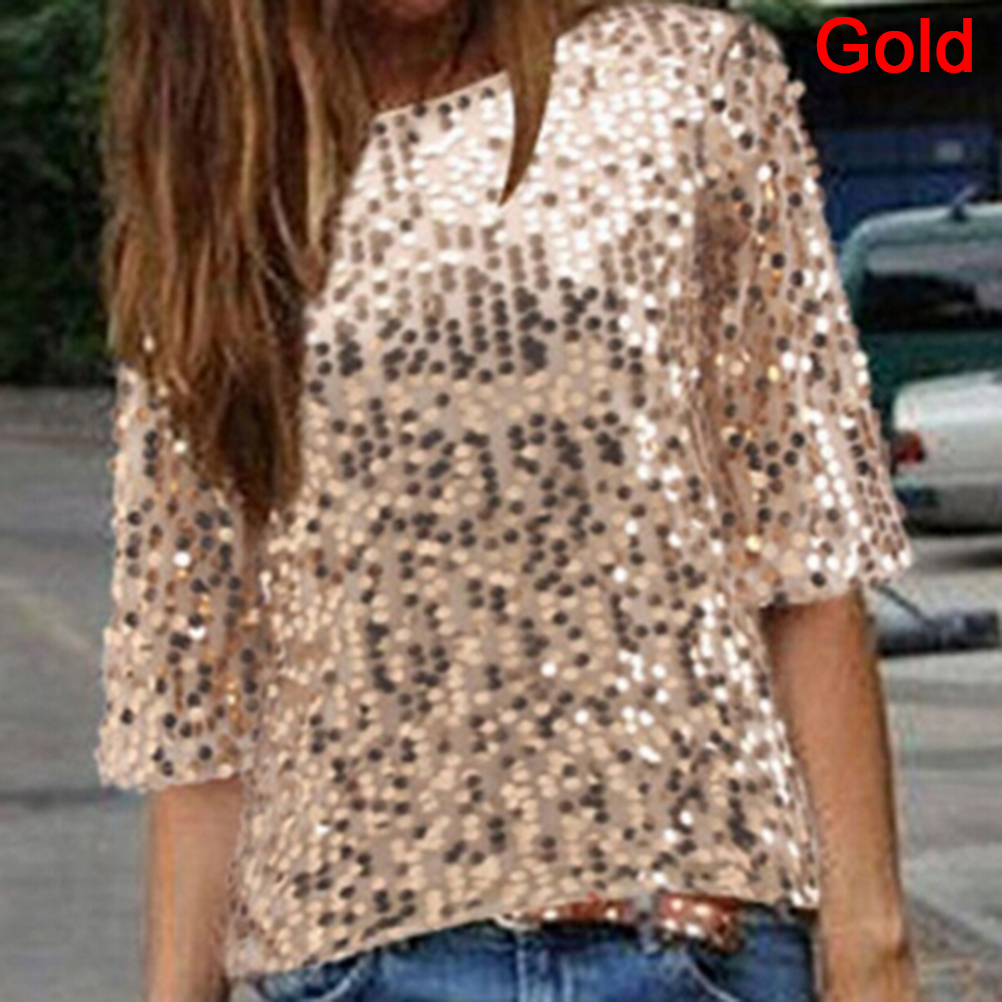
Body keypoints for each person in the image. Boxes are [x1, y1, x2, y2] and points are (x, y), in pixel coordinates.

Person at [93, 1, 922, 1000]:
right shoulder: (217, 183)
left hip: (688, 955)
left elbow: (805, 551)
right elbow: (204, 683)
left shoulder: (690, 81)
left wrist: (873, 950)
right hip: (357, 975)